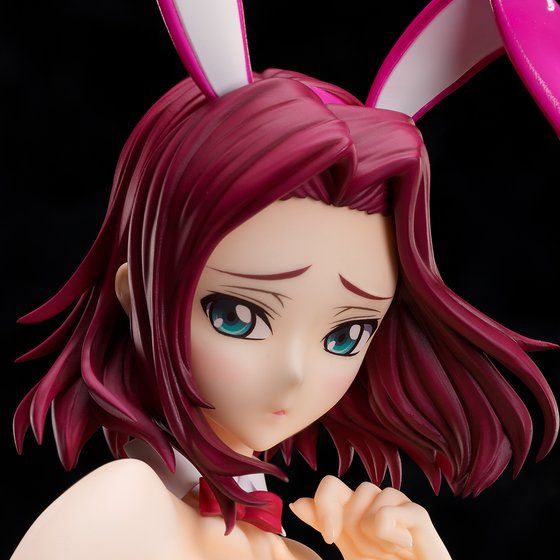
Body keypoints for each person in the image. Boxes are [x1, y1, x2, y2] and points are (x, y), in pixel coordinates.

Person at [10, 1, 559, 559]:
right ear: (139, 296)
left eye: (345, 335)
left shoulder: (294, 550)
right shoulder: (120, 509)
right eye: (237, 316)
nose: (295, 371)